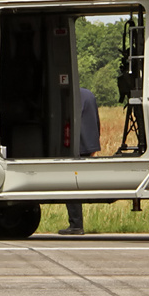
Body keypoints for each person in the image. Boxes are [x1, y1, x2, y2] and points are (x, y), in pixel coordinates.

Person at [59, 86, 101, 235]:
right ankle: (76, 223)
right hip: (89, 143)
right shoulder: (88, 94)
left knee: (71, 185)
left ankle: (76, 224)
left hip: (77, 145)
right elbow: (96, 120)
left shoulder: (69, 96)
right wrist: (94, 143)